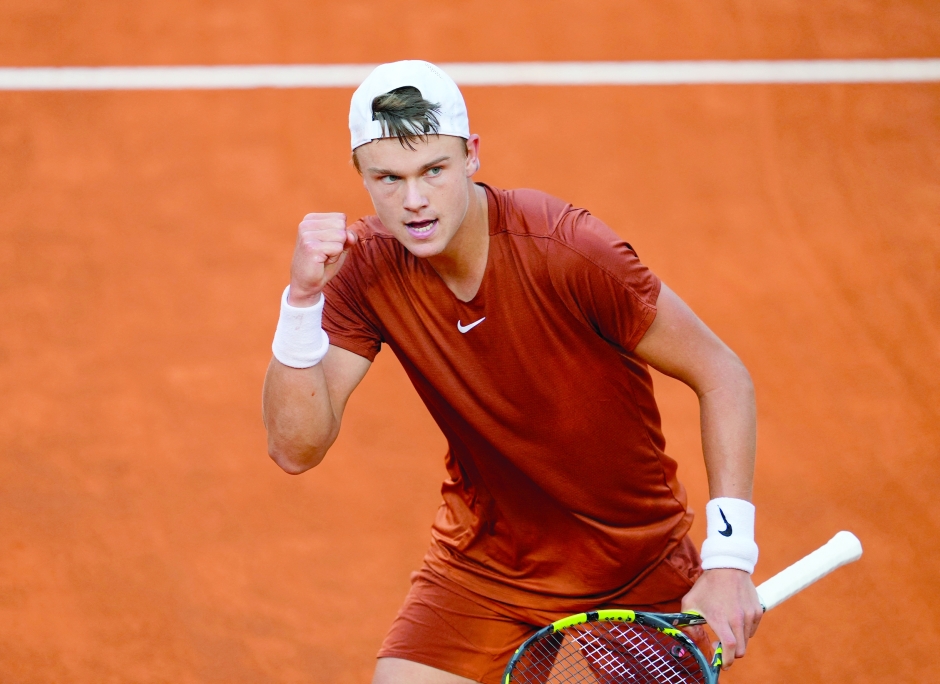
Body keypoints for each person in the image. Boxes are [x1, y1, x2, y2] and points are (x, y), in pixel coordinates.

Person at [262, 60, 763, 684]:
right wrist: (302, 300)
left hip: (632, 562)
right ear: (359, 174)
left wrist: (730, 558)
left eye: (433, 171)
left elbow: (722, 374)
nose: (414, 201)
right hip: (488, 563)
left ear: (471, 155)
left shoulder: (567, 250)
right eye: (389, 178)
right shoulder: (364, 270)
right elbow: (295, 447)